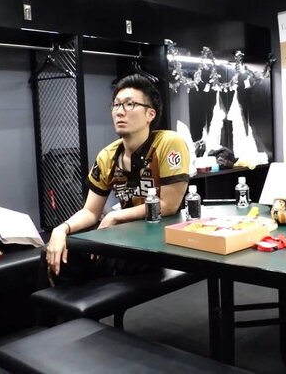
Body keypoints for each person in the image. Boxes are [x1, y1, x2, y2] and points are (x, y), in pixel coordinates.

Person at [45, 74, 189, 283]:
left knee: (100, 261)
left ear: (150, 114)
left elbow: (168, 205)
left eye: (130, 104)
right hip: (124, 237)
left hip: (159, 241)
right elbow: (90, 211)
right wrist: (61, 229)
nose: (120, 111)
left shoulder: (169, 142)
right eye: (116, 105)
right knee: (54, 252)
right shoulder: (107, 156)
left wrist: (116, 216)